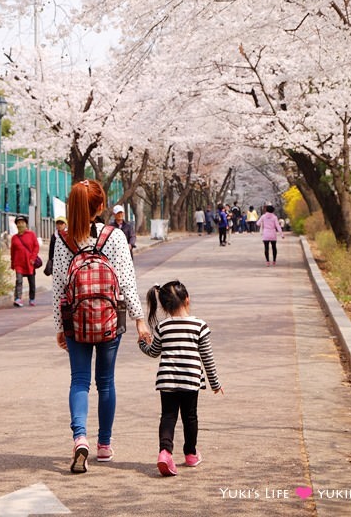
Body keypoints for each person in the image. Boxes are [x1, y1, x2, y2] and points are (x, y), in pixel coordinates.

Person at [52, 179, 150, 473]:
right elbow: (126, 282)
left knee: (79, 380)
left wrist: (60, 326)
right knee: (105, 382)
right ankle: (104, 445)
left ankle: (79, 436)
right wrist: (139, 320)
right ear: (100, 206)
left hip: (76, 322)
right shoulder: (115, 236)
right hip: (110, 320)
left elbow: (59, 286)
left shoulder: (65, 239)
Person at [139, 280, 223, 476]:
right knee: (190, 417)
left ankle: (165, 452)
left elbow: (153, 352)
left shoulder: (163, 326)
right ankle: (191, 454)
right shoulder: (199, 326)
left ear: (165, 306)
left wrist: (142, 344)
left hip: (167, 380)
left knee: (168, 416)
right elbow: (207, 358)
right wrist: (215, 383)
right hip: (190, 381)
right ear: (187, 299)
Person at [10, 214, 39, 307]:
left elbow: (36, 246)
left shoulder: (31, 235)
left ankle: (32, 298)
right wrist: (12, 263)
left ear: (26, 224)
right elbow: (12, 251)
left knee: (32, 282)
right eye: (18, 223)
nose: (20, 224)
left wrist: (33, 258)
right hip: (18, 263)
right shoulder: (14, 238)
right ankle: (18, 298)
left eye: (22, 222)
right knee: (18, 281)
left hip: (30, 262)